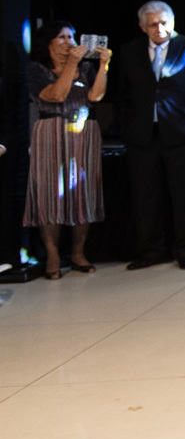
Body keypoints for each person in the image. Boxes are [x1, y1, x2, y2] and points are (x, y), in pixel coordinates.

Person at [110, 1, 185, 270]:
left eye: (164, 23)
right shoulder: (130, 50)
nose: (159, 29)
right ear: (142, 27)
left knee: (184, 196)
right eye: (153, 24)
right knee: (145, 196)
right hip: (142, 136)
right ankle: (151, 251)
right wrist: (127, 127)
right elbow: (124, 94)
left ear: (173, 22)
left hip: (183, 133)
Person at [23, 21, 111, 279]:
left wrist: (103, 66)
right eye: (62, 37)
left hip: (83, 132)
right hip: (50, 131)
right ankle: (52, 255)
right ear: (48, 42)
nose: (69, 42)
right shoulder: (36, 69)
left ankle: (78, 253)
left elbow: (96, 96)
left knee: (83, 192)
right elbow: (56, 95)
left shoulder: (85, 68)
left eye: (71, 37)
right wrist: (71, 63)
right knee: (50, 194)